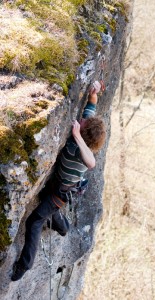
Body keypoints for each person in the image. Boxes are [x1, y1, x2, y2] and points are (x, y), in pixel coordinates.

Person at [11, 81, 106, 281]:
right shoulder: (84, 129)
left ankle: (24, 265)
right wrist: (93, 92)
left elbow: (92, 163)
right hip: (57, 185)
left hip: (62, 192)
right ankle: (62, 226)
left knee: (35, 220)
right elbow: (91, 106)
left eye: (83, 124)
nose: (81, 120)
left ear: (85, 135)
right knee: (47, 204)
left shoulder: (82, 151)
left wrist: (77, 136)